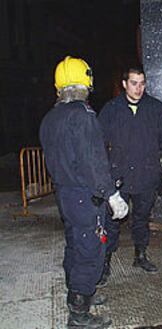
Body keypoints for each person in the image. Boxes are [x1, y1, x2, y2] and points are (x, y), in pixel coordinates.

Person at [39, 56, 129, 329]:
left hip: (65, 194)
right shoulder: (83, 116)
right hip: (85, 195)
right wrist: (112, 195)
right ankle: (79, 314)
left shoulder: (51, 117)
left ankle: (80, 295)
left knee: (75, 244)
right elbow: (94, 162)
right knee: (90, 250)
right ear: (85, 81)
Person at [98, 65, 162, 281]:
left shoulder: (155, 108)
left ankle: (140, 255)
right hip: (119, 177)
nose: (138, 88)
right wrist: (103, 175)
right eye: (134, 83)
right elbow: (97, 144)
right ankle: (104, 261)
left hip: (147, 174)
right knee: (112, 221)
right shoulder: (111, 109)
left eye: (142, 83)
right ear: (124, 84)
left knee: (142, 219)